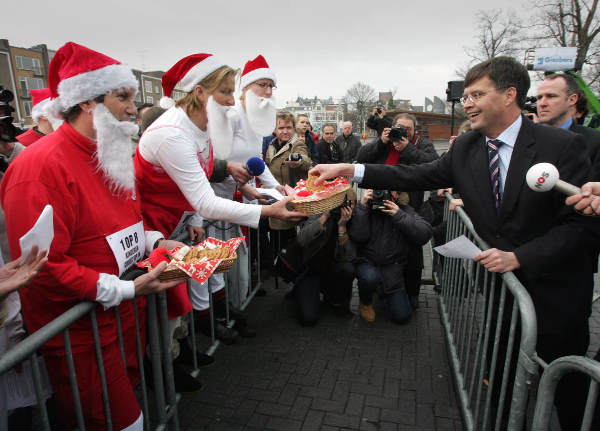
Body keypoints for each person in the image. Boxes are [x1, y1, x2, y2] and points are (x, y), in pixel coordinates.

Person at [309, 56, 595, 431]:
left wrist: (519, 257)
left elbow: (581, 226)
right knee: (503, 379)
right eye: (468, 94)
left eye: (478, 94)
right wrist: (351, 170)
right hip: (500, 295)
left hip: (556, 297)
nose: (469, 103)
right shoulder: (465, 148)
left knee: (566, 390)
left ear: (509, 95)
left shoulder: (562, 146)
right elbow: (414, 173)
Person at [0, 42, 182, 431]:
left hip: (125, 320)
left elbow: (124, 227)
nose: (134, 109)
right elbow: (42, 269)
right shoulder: (39, 167)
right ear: (87, 102)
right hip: (82, 335)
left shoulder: (110, 153)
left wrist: (154, 242)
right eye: (123, 97)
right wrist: (129, 290)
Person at [135, 54, 306, 340]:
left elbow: (205, 176)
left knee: (194, 283)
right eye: (225, 92)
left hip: (185, 220)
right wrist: (270, 211)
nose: (231, 100)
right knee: (165, 301)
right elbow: (204, 197)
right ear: (199, 92)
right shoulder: (173, 134)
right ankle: (174, 358)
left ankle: (205, 328)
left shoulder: (203, 125)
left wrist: (250, 185)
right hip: (156, 225)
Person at [357, 112, 438, 310]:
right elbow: (361, 158)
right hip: (380, 205)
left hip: (409, 206)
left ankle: (412, 293)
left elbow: (434, 165)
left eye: (408, 129)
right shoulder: (384, 142)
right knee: (381, 246)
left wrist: (407, 148)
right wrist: (380, 142)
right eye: (399, 127)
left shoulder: (421, 144)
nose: (403, 132)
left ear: (414, 130)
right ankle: (381, 286)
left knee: (413, 257)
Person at [350, 190, 431, 323]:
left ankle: (382, 289)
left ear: (398, 194)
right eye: (381, 191)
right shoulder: (368, 208)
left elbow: (424, 234)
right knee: (370, 278)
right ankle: (366, 302)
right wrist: (363, 206)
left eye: (391, 191)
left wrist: (399, 215)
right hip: (368, 262)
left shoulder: (403, 209)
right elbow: (358, 236)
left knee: (403, 317)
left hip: (393, 269)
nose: (384, 195)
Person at [293, 190, 357, 326]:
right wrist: (325, 216)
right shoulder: (320, 211)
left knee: (348, 269)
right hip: (311, 269)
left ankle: (336, 300)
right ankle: (302, 291)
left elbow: (349, 256)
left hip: (332, 269)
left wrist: (342, 227)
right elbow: (302, 239)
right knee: (308, 319)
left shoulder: (353, 219)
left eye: (349, 204)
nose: (344, 208)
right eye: (341, 203)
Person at [537, 72, 600, 179]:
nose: (542, 103)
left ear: (572, 99)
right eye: (539, 97)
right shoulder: (524, 139)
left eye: (551, 96)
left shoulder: (595, 142)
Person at [264, 111, 311, 253]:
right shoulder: (271, 145)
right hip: (273, 198)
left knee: (286, 242)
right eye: (281, 128)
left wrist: (298, 160)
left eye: (289, 127)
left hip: (289, 202)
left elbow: (305, 159)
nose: (285, 131)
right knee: (274, 239)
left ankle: (286, 270)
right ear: (274, 129)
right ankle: (276, 267)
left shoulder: (296, 144)